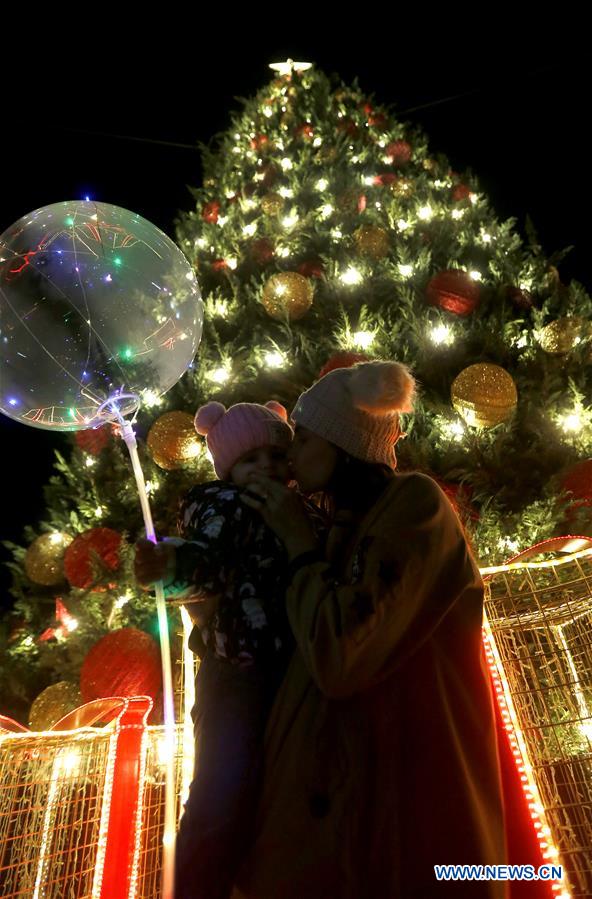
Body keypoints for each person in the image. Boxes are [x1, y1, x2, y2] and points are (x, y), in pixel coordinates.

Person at [236, 360, 508, 899]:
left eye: (305, 439)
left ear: (343, 445)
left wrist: (297, 543)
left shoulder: (414, 505)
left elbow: (341, 655)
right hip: (331, 844)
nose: (291, 458)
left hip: (409, 836)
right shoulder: (338, 526)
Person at [134, 400, 323, 899]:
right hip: (235, 674)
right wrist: (171, 568)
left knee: (282, 792)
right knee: (221, 795)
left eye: (275, 456)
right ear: (227, 469)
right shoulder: (225, 506)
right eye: (249, 460)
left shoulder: (295, 507)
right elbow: (208, 562)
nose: (265, 468)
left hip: (289, 667)